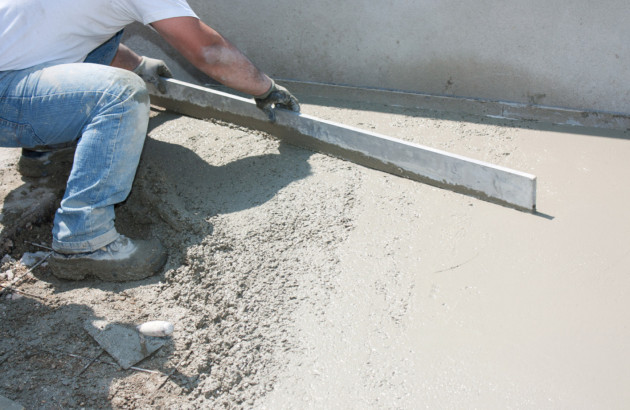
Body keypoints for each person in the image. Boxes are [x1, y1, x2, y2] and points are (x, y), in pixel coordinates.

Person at [0, 0, 300, 282]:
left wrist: (139, 64)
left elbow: (80, 34)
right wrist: (265, 88)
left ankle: (44, 151)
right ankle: (85, 238)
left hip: (13, 78)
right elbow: (209, 52)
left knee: (103, 47)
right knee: (120, 93)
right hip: (6, 96)